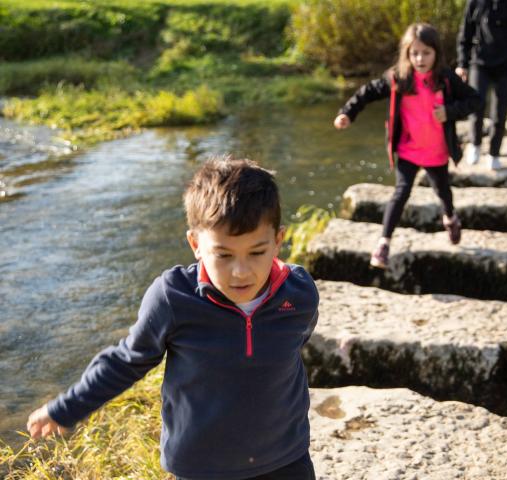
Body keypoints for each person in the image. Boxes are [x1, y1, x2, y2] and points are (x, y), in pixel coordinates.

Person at [26, 158, 320, 480]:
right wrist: (67, 407)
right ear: (195, 244)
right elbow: (127, 361)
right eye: (223, 255)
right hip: (202, 467)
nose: (241, 271)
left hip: (285, 459)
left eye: (257, 252)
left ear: (278, 240)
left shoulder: (299, 292)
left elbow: (297, 340)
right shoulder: (173, 298)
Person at [333, 23, 481, 269]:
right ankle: (384, 243)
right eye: (414, 53)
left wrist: (450, 111)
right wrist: (348, 113)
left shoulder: (445, 78)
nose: (420, 59)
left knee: (443, 191)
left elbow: (475, 99)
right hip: (408, 149)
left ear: (436, 53)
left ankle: (450, 217)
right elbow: (367, 92)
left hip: (437, 151)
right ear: (406, 54)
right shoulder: (398, 78)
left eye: (426, 53)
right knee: (400, 193)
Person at [456, 0, 507, 170]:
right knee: (476, 103)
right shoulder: (475, 3)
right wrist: (462, 63)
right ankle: (475, 143)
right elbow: (465, 33)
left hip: (506, 63)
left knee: (500, 111)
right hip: (479, 61)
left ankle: (494, 153)